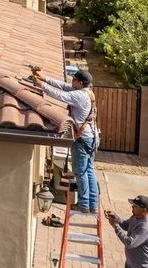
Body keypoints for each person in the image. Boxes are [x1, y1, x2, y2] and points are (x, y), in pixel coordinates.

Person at [34, 69, 99, 213]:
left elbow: (60, 95)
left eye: (74, 79)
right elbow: (62, 86)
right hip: (92, 137)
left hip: (83, 139)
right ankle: (93, 205)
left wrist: (40, 85)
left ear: (80, 83)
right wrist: (45, 78)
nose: (71, 81)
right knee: (89, 170)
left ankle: (83, 205)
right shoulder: (87, 92)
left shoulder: (79, 96)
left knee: (80, 172)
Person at [105, 195, 148, 268]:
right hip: (131, 263)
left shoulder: (146, 227)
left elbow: (129, 243)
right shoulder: (136, 216)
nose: (132, 208)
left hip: (142, 266)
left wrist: (115, 226)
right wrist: (115, 217)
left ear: (144, 210)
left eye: (135, 206)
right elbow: (126, 225)